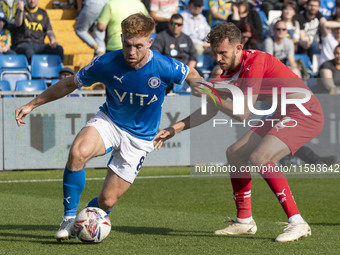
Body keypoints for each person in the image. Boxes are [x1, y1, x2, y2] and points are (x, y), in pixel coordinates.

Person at [14, 13, 201, 241]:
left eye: (138, 46)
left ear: (150, 42)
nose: (131, 52)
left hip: (141, 138)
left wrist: (207, 90)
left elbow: (191, 74)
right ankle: (69, 218)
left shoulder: (164, 66)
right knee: (77, 152)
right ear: (121, 39)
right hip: (110, 121)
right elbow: (68, 84)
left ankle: (86, 220)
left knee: (106, 202)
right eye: (127, 45)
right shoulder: (107, 62)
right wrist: (32, 104)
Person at [154, 22, 324, 242]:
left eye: (223, 53)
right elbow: (210, 107)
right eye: (215, 53)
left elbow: (242, 112)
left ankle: (298, 222)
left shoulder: (256, 61)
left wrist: (208, 91)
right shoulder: (228, 74)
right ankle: (244, 221)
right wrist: (175, 128)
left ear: (238, 47)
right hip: (283, 114)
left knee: (261, 157)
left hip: (305, 112)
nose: (218, 58)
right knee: (235, 153)